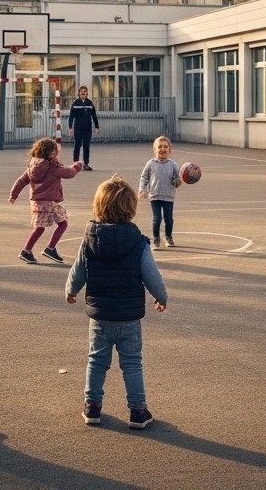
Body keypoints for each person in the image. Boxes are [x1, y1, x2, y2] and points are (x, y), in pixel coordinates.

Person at [66, 174, 168, 429]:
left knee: (96, 361)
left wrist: (71, 290)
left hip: (100, 315)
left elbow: (79, 270)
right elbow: (151, 275)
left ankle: (92, 407)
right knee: (132, 363)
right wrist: (161, 296)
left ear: (98, 206)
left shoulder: (89, 239)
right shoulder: (138, 241)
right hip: (128, 317)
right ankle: (137, 411)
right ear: (131, 209)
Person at [10, 137, 84, 264]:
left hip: (38, 202)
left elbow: (21, 180)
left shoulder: (33, 166)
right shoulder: (52, 166)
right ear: (51, 153)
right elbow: (68, 173)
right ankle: (42, 249)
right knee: (59, 224)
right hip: (49, 201)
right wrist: (77, 166)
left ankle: (34, 250)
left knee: (45, 227)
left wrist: (13, 194)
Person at [138, 136, 181, 250]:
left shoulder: (173, 165)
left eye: (165, 147)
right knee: (157, 219)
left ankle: (168, 237)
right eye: (159, 147)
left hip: (168, 197)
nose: (162, 149)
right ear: (154, 150)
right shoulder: (151, 163)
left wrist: (177, 182)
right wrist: (142, 190)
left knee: (168, 219)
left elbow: (176, 179)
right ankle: (156, 239)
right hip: (155, 196)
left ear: (170, 150)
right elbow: (144, 178)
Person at [68, 85, 100, 171]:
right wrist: (70, 127)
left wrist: (97, 127)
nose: (83, 94)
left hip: (87, 129)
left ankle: (86, 164)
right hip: (78, 128)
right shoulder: (75, 104)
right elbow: (71, 116)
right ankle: (75, 164)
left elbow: (94, 116)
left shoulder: (90, 103)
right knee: (77, 146)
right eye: (82, 92)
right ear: (79, 93)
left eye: (85, 92)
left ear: (87, 94)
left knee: (86, 146)